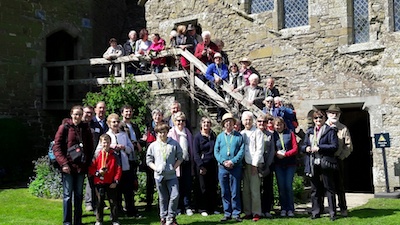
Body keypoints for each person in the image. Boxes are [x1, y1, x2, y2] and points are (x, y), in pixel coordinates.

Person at [53, 105, 94, 225]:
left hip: (80, 167)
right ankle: (67, 222)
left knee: (78, 195)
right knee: (67, 196)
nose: (77, 117)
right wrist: (64, 163)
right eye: (75, 114)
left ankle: (78, 221)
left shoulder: (85, 128)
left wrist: (87, 162)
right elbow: (57, 147)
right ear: (71, 114)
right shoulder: (64, 127)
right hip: (68, 167)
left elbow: (90, 147)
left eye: (80, 114)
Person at [302, 110, 338, 221]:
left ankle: (332, 212)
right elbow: (302, 145)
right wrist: (306, 148)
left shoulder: (330, 131)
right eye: (316, 118)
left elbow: (334, 146)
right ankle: (316, 212)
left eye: (320, 118)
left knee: (329, 188)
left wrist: (320, 148)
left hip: (325, 162)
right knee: (315, 189)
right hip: (313, 162)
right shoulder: (310, 132)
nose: (318, 120)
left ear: (324, 119)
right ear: (313, 120)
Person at [146, 123, 183, 225]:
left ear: (167, 132)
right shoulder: (153, 145)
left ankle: (171, 216)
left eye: (164, 132)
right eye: (159, 133)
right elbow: (149, 160)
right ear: (157, 134)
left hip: (171, 175)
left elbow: (180, 157)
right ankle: (163, 217)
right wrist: (155, 168)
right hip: (159, 175)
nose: (162, 135)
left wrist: (174, 167)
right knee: (163, 198)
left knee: (175, 195)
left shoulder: (174, 143)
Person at [102, 113, 134, 218]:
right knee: (116, 191)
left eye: (117, 121)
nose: (115, 124)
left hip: (124, 165)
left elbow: (131, 148)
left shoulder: (123, 135)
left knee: (128, 189)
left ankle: (130, 210)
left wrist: (124, 147)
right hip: (113, 168)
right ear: (109, 123)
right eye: (113, 122)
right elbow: (101, 150)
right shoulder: (107, 136)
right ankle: (117, 211)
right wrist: (112, 147)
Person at [214, 113, 245, 222]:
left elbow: (241, 151)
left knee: (235, 191)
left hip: (235, 167)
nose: (228, 124)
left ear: (233, 123)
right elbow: (216, 151)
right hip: (222, 168)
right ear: (223, 124)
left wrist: (233, 161)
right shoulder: (220, 137)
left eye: (230, 122)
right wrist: (223, 161)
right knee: (224, 191)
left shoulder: (238, 136)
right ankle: (227, 213)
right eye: (226, 122)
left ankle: (236, 213)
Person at [326, 104, 353, 217]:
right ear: (327, 114)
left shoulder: (343, 128)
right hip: (325, 160)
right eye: (332, 113)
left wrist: (341, 157)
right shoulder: (323, 127)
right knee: (327, 186)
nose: (334, 115)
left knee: (340, 186)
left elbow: (349, 146)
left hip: (337, 159)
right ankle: (330, 209)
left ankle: (343, 208)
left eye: (336, 113)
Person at [89, 134, 122, 225]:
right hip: (99, 181)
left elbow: (118, 169)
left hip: (111, 182)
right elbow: (91, 168)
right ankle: (99, 220)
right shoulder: (97, 154)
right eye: (104, 142)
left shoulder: (114, 155)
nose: (106, 144)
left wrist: (116, 180)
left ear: (110, 143)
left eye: (107, 142)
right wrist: (97, 173)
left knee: (113, 201)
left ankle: (115, 220)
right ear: (100, 143)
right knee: (99, 201)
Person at [167, 112, 194, 216]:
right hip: (176, 164)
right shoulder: (171, 133)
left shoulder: (187, 132)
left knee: (187, 185)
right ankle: (178, 207)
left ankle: (187, 206)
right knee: (176, 186)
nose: (181, 122)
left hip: (186, 162)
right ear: (174, 121)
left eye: (182, 120)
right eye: (178, 120)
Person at [118, 105, 143, 218]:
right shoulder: (120, 125)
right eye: (126, 112)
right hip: (124, 158)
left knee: (131, 184)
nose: (128, 113)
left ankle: (130, 208)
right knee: (123, 185)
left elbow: (138, 139)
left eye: (130, 111)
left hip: (133, 157)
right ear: (122, 113)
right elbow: (126, 140)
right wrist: (135, 143)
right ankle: (122, 209)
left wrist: (139, 142)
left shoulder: (134, 126)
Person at [240, 111, 264, 222]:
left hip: (254, 164)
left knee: (255, 190)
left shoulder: (258, 132)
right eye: (245, 120)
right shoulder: (241, 133)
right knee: (246, 190)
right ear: (242, 121)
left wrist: (255, 164)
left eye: (249, 119)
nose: (247, 122)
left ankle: (256, 212)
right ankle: (248, 212)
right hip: (244, 164)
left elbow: (260, 149)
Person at [192, 117, 219, 216]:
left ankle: (213, 207)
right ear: (201, 124)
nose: (206, 124)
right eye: (204, 122)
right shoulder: (197, 137)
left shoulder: (213, 136)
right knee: (202, 187)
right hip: (202, 166)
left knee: (212, 186)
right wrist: (201, 166)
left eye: (208, 122)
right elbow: (196, 153)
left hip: (213, 165)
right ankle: (202, 208)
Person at [273, 117, 298, 217]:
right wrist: (276, 154)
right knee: (281, 187)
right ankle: (283, 208)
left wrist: (286, 154)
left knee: (288, 186)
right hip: (278, 164)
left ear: (284, 124)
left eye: (280, 124)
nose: (278, 126)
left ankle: (290, 209)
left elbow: (295, 148)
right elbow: (271, 148)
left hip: (290, 163)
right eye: (276, 125)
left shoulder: (290, 133)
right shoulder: (273, 135)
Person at [86, 101, 108, 212]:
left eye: (103, 108)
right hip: (92, 155)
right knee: (91, 179)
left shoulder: (107, 123)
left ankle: (100, 202)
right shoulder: (91, 123)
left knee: (100, 179)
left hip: (103, 156)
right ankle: (89, 202)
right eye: (99, 108)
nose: (101, 110)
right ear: (95, 110)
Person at [142, 108, 164, 211]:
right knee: (150, 183)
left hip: (162, 157)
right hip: (152, 158)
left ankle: (162, 203)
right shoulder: (148, 128)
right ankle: (149, 203)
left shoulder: (164, 127)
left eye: (159, 115)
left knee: (162, 181)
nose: (157, 117)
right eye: (155, 115)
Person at [256, 114, 275, 218]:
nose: (261, 123)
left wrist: (267, 165)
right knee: (257, 189)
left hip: (268, 165)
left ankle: (267, 209)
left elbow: (272, 151)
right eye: (259, 121)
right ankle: (258, 210)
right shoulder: (253, 134)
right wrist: (258, 165)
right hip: (256, 166)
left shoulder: (270, 135)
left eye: (263, 122)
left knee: (267, 188)